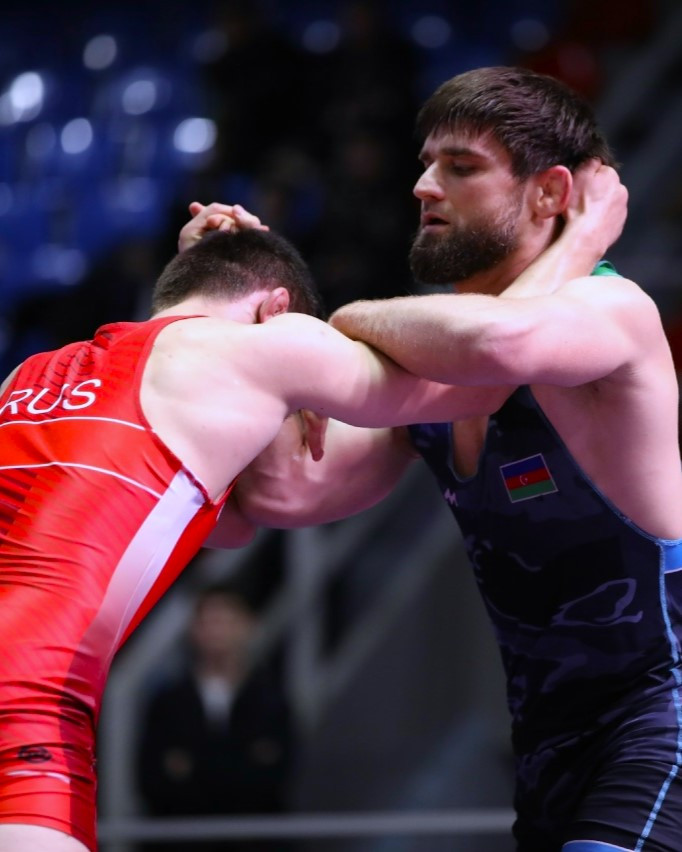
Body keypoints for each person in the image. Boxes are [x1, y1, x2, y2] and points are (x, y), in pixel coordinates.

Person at [184, 67, 682, 852]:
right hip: (547, 757)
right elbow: (282, 491)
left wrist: (339, 321)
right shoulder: (433, 377)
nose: (423, 186)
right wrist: (233, 305)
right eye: (425, 164)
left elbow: (497, 344)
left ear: (550, 193)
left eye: (461, 166)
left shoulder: (611, 309)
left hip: (660, 728)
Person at [0, 224, 503, 852]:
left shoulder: (29, 376)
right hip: (26, 699)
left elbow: (239, 520)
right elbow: (475, 376)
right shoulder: (261, 348)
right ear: (276, 309)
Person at [136, 584, 294, 851]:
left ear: (249, 626)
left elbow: (278, 779)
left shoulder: (272, 701)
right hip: (183, 844)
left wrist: (193, 766)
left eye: (227, 621)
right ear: (193, 629)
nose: (218, 632)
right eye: (209, 622)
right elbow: (154, 782)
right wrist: (242, 762)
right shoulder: (167, 703)